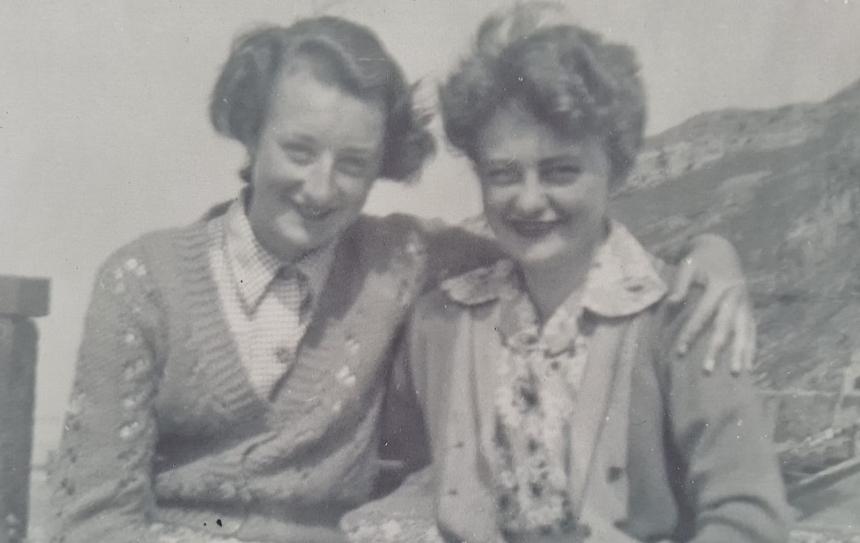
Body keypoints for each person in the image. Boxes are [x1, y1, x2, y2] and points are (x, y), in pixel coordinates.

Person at [49, 14, 759, 543]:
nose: (320, 187)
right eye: (299, 150)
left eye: (352, 162)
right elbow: (91, 521)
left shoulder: (401, 262)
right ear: (250, 133)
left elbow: (568, 248)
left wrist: (710, 251)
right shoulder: (142, 281)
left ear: (380, 165)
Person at [347, 5, 789, 542]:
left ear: (618, 169)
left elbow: (750, 518)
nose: (529, 201)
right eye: (503, 173)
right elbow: (385, 470)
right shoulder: (439, 322)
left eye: (560, 171)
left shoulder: (686, 316)